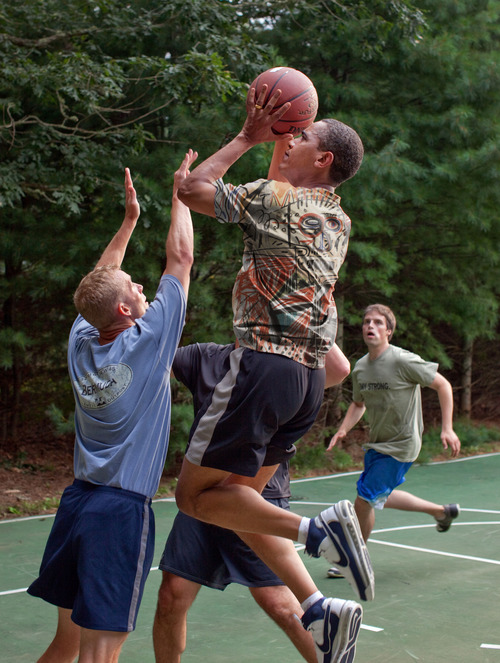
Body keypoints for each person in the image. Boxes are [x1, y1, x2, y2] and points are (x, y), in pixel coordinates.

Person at [174, 83, 373, 663]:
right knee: (237, 505)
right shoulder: (336, 217)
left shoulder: (278, 201)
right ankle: (318, 610)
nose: (293, 140)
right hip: (308, 382)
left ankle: (320, 531)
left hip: (263, 366)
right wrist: (281, 142)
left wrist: (246, 137)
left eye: (303, 136)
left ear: (324, 159)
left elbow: (190, 190)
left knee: (194, 498)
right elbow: (282, 187)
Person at [27, 151, 196, 663]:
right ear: (125, 309)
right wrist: (180, 194)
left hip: (76, 503)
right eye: (135, 288)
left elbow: (97, 283)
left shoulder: (82, 337)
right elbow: (180, 260)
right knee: (100, 653)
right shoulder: (148, 343)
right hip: (119, 511)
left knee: (67, 643)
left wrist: (128, 223)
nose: (142, 287)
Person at [153, 341, 351, 663]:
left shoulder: (284, 363)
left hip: (257, 494)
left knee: (281, 605)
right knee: (171, 597)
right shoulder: (205, 357)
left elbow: (340, 369)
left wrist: (314, 311)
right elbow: (155, 352)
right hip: (206, 492)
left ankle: (318, 541)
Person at [326, 303, 461, 578]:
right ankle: (441, 512)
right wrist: (343, 429)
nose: (370, 326)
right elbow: (358, 404)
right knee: (379, 497)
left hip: (402, 444)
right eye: (366, 322)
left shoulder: (403, 360)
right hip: (378, 443)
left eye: (377, 322)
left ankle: (357, 559)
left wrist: (447, 428)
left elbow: (443, 385)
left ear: (389, 330)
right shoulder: (361, 368)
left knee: (363, 501)